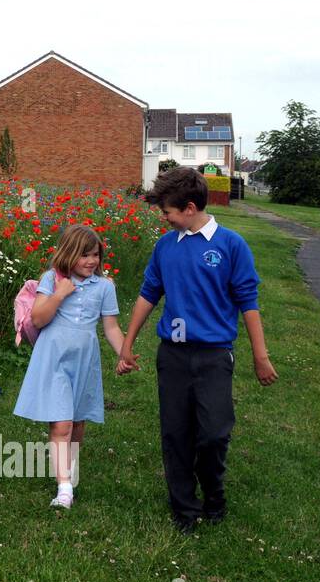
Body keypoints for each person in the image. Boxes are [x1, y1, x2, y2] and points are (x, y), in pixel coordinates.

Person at [117, 166, 278, 534]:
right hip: (172, 356)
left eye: (168, 211)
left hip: (213, 356)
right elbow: (148, 294)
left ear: (189, 208)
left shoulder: (231, 245)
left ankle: (214, 493)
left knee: (213, 433)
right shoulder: (164, 246)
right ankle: (184, 509)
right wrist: (126, 344)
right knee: (175, 433)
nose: (164, 217)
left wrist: (260, 355)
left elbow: (248, 302)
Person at [13, 224, 125, 508]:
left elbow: (110, 327)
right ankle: (64, 489)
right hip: (54, 360)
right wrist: (60, 294)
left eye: (96, 255)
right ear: (68, 254)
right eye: (84, 255)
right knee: (61, 424)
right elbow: (38, 318)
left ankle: (68, 470)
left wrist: (124, 353)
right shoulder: (52, 279)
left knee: (76, 423)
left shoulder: (105, 287)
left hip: (85, 362)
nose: (91, 261)